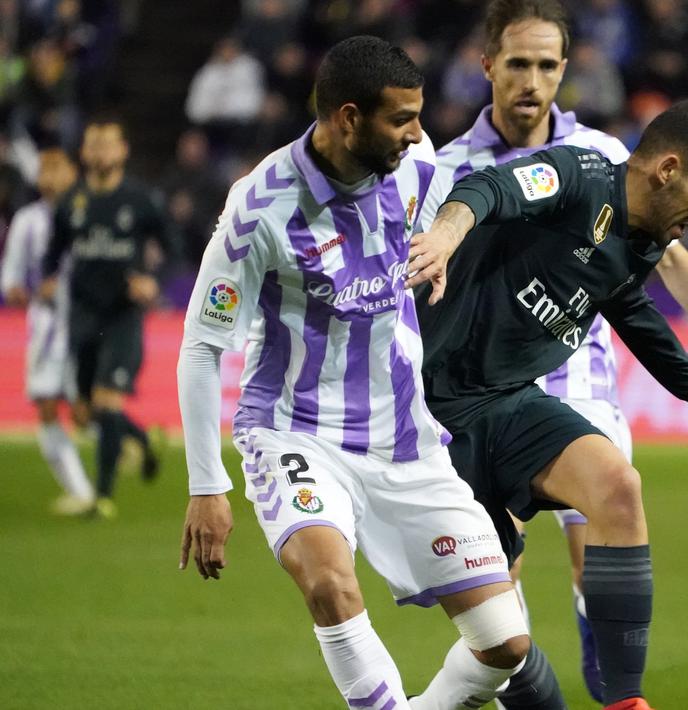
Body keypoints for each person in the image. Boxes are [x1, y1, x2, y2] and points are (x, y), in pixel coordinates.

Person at [419, 0, 688, 703]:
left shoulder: (617, 162)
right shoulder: (457, 166)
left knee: (608, 508)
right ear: (488, 65)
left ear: (564, 70)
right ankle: (513, 683)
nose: (531, 80)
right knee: (498, 598)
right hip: (464, 390)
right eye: (517, 63)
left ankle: (615, 683)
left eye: (546, 65)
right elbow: (482, 197)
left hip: (570, 380)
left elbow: (644, 283)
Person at [175, 36, 533, 710]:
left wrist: (440, 245)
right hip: (294, 433)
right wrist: (205, 485)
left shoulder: (416, 168)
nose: (417, 133)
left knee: (504, 645)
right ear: (347, 117)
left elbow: (445, 206)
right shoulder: (259, 208)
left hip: (404, 437)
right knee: (331, 588)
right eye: (401, 119)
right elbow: (202, 347)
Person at [40, 117, 163, 520]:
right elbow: (53, 251)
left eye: (107, 145)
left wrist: (151, 279)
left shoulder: (140, 199)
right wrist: (47, 277)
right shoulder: (72, 202)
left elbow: (174, 247)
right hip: (83, 315)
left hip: (124, 317)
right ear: (84, 152)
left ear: (123, 150)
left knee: (108, 401)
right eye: (93, 145)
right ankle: (142, 441)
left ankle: (102, 495)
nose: (100, 153)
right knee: (87, 410)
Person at [0, 145, 94, 515]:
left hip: (89, 324)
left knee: (89, 406)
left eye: (58, 168)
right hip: (48, 331)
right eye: (45, 169)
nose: (51, 176)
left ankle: (126, 440)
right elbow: (11, 277)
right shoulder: (27, 220)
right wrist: (28, 291)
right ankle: (83, 492)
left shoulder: (89, 211)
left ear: (73, 172)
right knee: (47, 404)